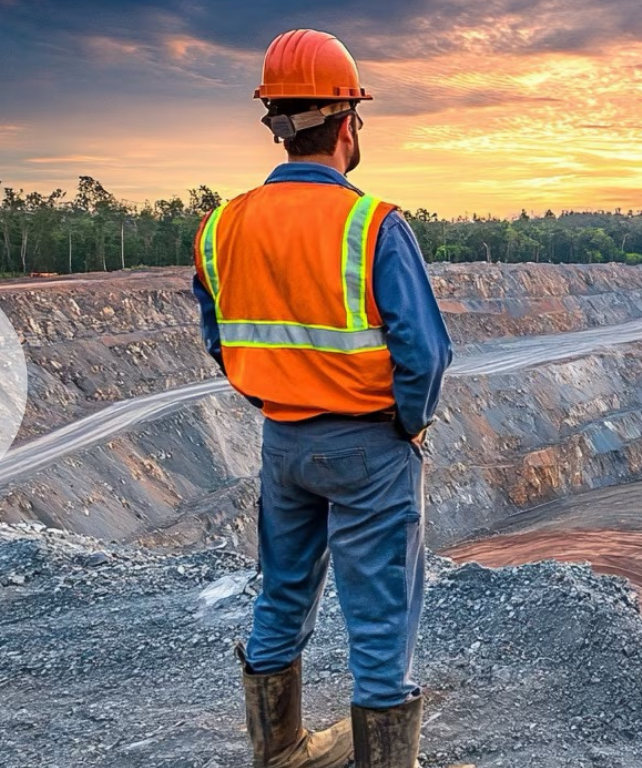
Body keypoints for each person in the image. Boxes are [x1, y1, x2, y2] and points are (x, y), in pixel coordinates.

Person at [191, 28, 453, 768]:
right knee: (381, 619)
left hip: (282, 442)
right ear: (347, 123)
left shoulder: (221, 226)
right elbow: (425, 353)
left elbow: (222, 338)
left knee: (281, 594)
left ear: (277, 124)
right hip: (369, 445)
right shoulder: (373, 225)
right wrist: (408, 424)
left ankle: (278, 751)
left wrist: (278, 399)